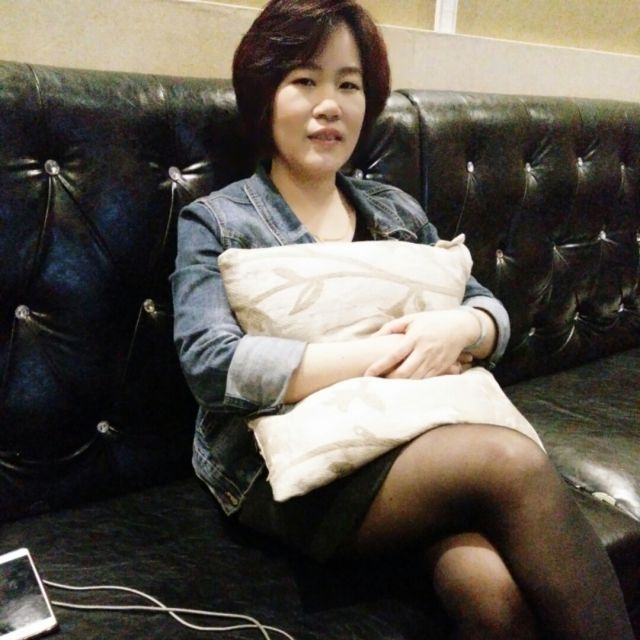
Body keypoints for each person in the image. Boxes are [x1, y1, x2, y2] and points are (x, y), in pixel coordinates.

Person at [171, 1, 634, 638]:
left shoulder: (395, 211)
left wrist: (460, 330)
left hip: (412, 442)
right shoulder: (220, 221)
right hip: (282, 468)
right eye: (304, 80)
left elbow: (489, 311)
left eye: (349, 85)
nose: (329, 105)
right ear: (264, 96)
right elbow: (210, 364)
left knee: (489, 590)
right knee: (512, 460)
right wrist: (384, 355)